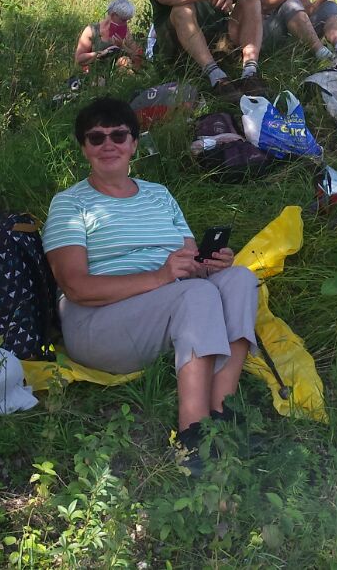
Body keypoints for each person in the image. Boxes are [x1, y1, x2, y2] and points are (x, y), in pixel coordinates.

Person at [43, 97, 258, 471]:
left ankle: (221, 410)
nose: (108, 145)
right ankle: (192, 436)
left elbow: (189, 263)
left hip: (165, 307)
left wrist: (210, 265)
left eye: (118, 135)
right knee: (195, 294)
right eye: (96, 138)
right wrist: (161, 277)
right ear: (84, 148)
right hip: (99, 324)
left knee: (240, 278)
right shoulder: (69, 204)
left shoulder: (159, 195)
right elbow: (76, 288)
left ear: (133, 144)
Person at [74, 0, 142, 78]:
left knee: (123, 62)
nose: (125, 24)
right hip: (95, 75)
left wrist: (122, 46)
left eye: (127, 20)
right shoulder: (92, 31)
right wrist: (101, 53)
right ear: (113, 15)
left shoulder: (126, 32)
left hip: (119, 77)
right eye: (123, 20)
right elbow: (79, 59)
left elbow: (138, 58)